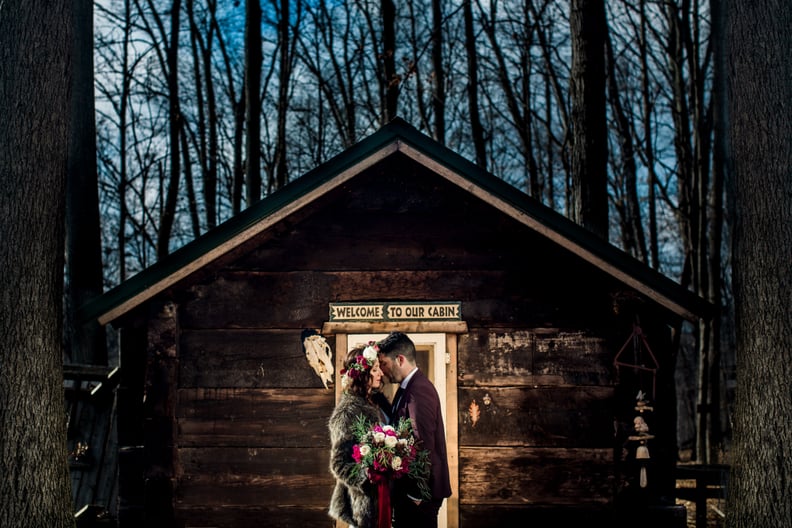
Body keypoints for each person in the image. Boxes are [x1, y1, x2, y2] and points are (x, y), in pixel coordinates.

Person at [377, 332, 451, 528]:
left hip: (419, 494)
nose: (382, 371)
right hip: (410, 491)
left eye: (384, 363)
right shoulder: (406, 388)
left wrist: (416, 492)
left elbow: (422, 441)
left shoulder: (419, 390)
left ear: (399, 359)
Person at [328, 343, 388, 528]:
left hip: (383, 497)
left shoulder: (376, 401)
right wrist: (367, 477)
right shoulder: (347, 411)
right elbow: (338, 464)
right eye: (376, 369)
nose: (381, 374)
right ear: (363, 374)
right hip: (363, 504)